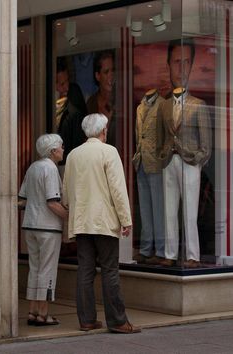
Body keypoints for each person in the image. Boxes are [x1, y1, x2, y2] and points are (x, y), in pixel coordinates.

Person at [63, 113, 141, 334]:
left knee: (85, 271)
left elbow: (66, 193)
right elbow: (118, 188)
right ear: (102, 131)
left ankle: (86, 320)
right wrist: (126, 219)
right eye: (106, 129)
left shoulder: (73, 155)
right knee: (110, 270)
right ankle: (117, 321)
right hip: (104, 221)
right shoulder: (109, 152)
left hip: (81, 221)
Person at [157, 39, 212, 269]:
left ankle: (192, 255)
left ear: (191, 67)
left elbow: (206, 144)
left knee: (189, 212)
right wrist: (162, 156)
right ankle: (170, 254)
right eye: (177, 62)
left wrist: (196, 161)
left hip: (190, 163)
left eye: (186, 62)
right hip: (169, 162)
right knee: (169, 210)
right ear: (169, 65)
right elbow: (160, 137)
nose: (181, 68)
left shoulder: (198, 105)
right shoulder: (164, 105)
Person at [18, 134, 68, 326]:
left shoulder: (33, 167)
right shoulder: (50, 169)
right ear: (53, 150)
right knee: (47, 270)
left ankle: (32, 311)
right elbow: (52, 202)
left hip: (30, 225)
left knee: (35, 268)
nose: (63, 149)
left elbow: (22, 199)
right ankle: (43, 314)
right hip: (48, 227)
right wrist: (70, 217)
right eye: (61, 146)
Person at [132, 89, 165, 265]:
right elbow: (139, 136)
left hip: (156, 162)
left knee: (158, 209)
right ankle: (145, 249)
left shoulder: (162, 105)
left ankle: (160, 250)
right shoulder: (139, 107)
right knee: (145, 209)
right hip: (141, 161)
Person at [56, 59, 87, 167]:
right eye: (62, 84)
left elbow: (77, 145)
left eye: (67, 81)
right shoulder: (44, 108)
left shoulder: (74, 111)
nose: (67, 87)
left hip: (67, 165)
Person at [86, 50, 116, 146]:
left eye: (113, 70)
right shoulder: (91, 103)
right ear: (98, 76)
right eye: (106, 72)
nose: (111, 76)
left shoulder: (123, 100)